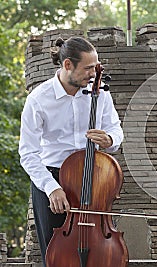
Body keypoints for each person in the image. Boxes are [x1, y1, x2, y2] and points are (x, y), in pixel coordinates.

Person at [18, 36, 123, 265]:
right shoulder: (38, 99)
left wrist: (110, 139)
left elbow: (115, 129)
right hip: (53, 178)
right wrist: (51, 188)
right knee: (57, 254)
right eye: (87, 69)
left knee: (99, 249)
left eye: (95, 68)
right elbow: (28, 154)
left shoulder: (101, 92)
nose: (93, 74)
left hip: (93, 176)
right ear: (67, 65)